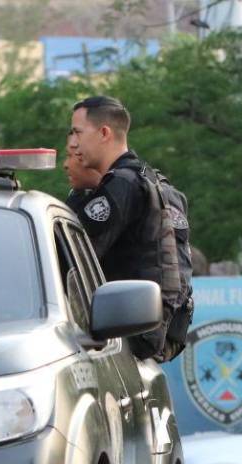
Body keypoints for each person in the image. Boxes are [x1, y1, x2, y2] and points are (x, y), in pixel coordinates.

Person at [65, 96, 189, 360]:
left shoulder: (122, 185)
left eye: (77, 133)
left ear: (104, 133)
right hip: (154, 336)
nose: (73, 144)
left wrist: (78, 195)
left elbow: (69, 257)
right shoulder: (158, 184)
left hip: (128, 337)